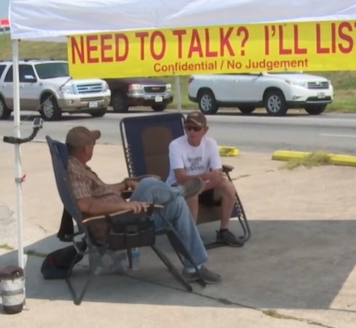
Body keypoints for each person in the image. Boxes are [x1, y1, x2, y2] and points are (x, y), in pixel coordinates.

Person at [64, 125, 222, 284]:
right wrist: (123, 206)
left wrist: (125, 185)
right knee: (153, 187)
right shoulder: (74, 171)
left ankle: (193, 267)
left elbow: (100, 191)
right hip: (117, 223)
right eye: (93, 144)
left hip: (120, 216)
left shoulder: (77, 166)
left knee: (170, 198)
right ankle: (180, 191)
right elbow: (84, 204)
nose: (94, 147)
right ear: (86, 148)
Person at [165, 111, 243, 247]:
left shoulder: (210, 144)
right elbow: (180, 178)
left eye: (196, 128)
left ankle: (223, 231)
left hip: (204, 187)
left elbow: (217, 175)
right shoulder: (175, 145)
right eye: (188, 128)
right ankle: (190, 237)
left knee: (228, 187)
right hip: (178, 188)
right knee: (192, 192)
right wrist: (206, 177)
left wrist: (204, 185)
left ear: (205, 130)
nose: (191, 132)